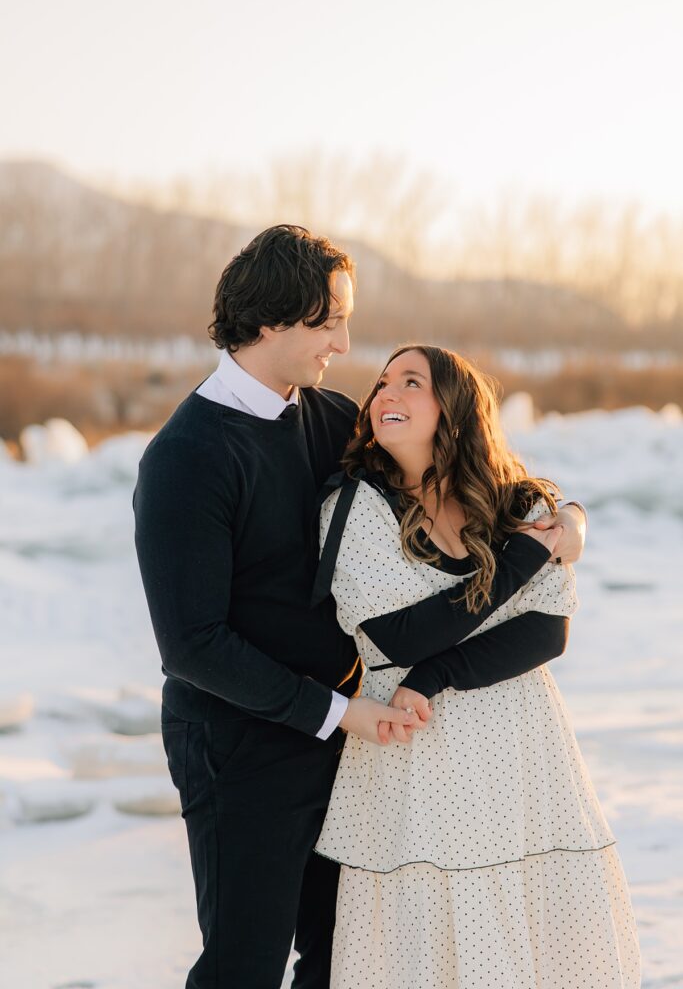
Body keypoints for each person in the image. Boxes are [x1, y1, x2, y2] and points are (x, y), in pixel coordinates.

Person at [133, 226, 587, 989]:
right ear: (271, 321)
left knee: (344, 956)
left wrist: (566, 515)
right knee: (245, 963)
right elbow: (192, 644)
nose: (344, 344)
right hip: (242, 743)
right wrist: (336, 712)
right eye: (327, 322)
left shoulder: (327, 415)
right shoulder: (187, 456)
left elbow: (458, 464)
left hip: (349, 732)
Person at [314, 344, 641, 988]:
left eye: (412, 382)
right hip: (418, 753)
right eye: (382, 384)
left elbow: (546, 633)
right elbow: (403, 636)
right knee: (424, 950)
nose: (386, 394)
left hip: (520, 746)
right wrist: (523, 557)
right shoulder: (354, 507)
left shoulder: (513, 501)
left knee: (525, 939)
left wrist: (439, 673)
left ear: (455, 409)